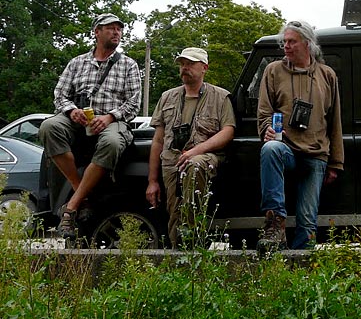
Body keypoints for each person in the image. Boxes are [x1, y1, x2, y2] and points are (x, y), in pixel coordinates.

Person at [39, 13, 142, 239]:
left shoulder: (129, 65)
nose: (116, 32)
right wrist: (71, 110)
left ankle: (72, 205)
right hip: (77, 120)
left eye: (119, 29)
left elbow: (134, 103)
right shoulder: (77, 62)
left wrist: (109, 117)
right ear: (96, 32)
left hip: (110, 120)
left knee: (114, 142)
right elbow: (59, 94)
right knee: (48, 127)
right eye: (110, 28)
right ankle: (81, 193)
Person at [256, 20, 344, 251]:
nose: (286, 46)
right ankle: (275, 224)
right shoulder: (273, 71)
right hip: (286, 149)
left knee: (308, 222)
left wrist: (335, 162)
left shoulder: (327, 75)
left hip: (316, 154)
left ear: (307, 43)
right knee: (270, 149)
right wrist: (267, 129)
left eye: (291, 41)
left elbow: (335, 121)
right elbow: (264, 112)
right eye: (284, 41)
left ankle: (299, 273)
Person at [146, 47, 235, 247]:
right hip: (172, 162)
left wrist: (198, 150)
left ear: (204, 67)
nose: (185, 68)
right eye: (182, 64)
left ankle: (191, 232)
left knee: (194, 165)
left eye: (190, 64)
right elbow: (158, 141)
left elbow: (228, 131)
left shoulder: (221, 97)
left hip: (205, 158)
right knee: (174, 215)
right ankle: (181, 258)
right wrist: (152, 180)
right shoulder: (167, 97)